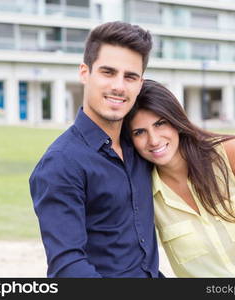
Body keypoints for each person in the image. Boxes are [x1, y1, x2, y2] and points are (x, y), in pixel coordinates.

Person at [29, 22, 161, 277]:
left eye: (130, 76)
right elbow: (67, 267)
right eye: (108, 72)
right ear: (84, 73)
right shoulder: (61, 163)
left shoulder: (140, 147)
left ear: (140, 83)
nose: (119, 86)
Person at [124, 79, 235, 278]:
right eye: (139, 132)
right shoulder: (141, 190)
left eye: (160, 124)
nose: (154, 140)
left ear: (176, 121)